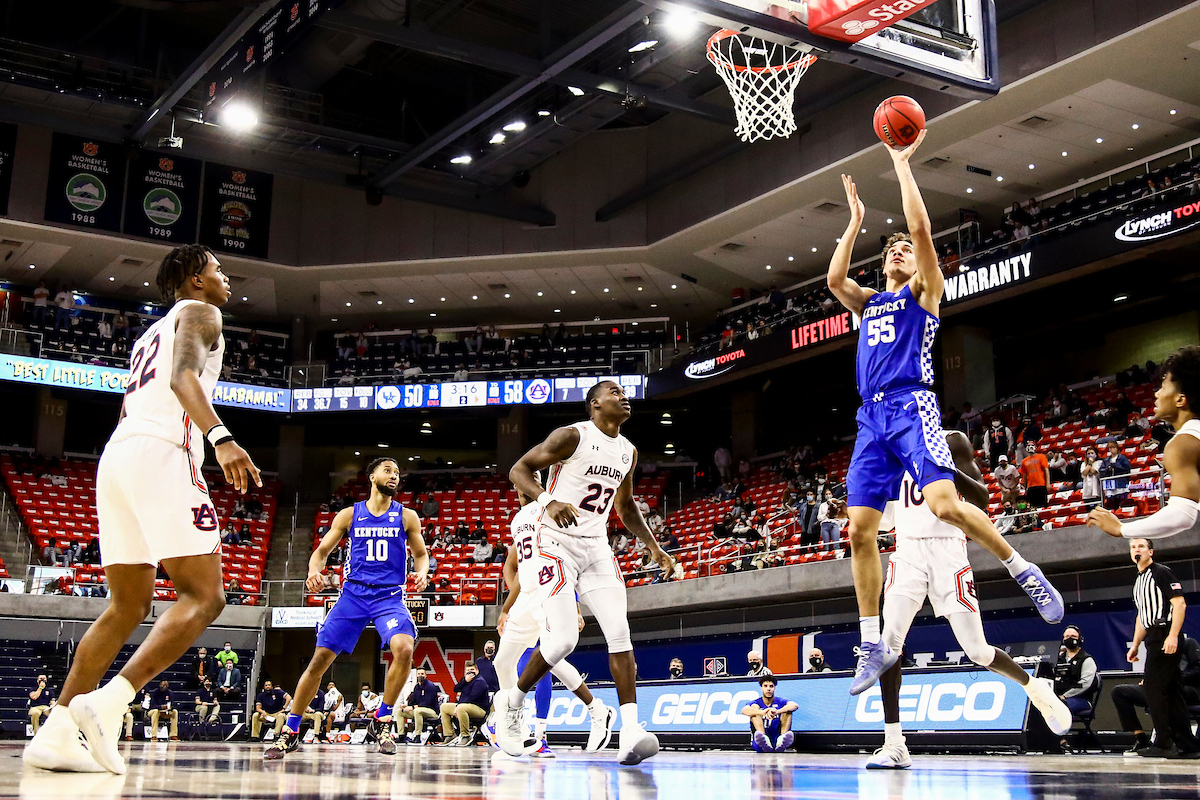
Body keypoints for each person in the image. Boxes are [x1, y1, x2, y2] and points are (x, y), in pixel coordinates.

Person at [827, 156, 1062, 696]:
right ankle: (870, 645)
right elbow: (836, 278)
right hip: (871, 416)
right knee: (860, 530)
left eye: (904, 251)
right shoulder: (869, 302)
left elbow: (920, 228)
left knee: (944, 504)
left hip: (912, 406)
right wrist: (854, 219)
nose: (899, 251)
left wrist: (900, 164)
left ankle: (1023, 569)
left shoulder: (924, 293)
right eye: (891, 250)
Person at [23, 244, 260, 776]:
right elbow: (183, 379)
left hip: (118, 455)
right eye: (217, 270)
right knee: (206, 594)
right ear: (195, 280)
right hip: (162, 451)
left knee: (126, 605)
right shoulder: (204, 312)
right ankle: (110, 702)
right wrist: (220, 437)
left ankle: (58, 730)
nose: (226, 278)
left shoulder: (149, 332)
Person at [494, 380, 676, 765]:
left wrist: (654, 547)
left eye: (625, 394)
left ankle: (630, 729)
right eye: (615, 392)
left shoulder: (628, 450)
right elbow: (518, 469)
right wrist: (548, 499)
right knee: (562, 641)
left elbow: (625, 508)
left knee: (620, 631)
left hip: (595, 545)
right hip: (554, 540)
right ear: (595, 404)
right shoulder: (573, 435)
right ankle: (511, 703)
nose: (623, 397)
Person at [866, 430, 1070, 769]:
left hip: (949, 553)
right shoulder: (889, 450)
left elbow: (982, 499)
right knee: (889, 644)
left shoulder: (951, 440)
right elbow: (887, 517)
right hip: (908, 552)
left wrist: (943, 467)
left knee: (977, 650)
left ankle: (1035, 687)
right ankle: (894, 743)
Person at [264, 457, 428, 760]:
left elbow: (420, 554)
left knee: (404, 648)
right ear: (372, 476)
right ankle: (291, 730)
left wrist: (422, 571)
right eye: (388, 470)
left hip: (389, 597)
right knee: (318, 662)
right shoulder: (350, 515)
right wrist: (314, 571)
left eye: (397, 473)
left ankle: (383, 718)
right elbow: (321, 551)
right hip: (352, 596)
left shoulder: (407, 517)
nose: (394, 476)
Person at [490, 504, 614, 757]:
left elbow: (570, 559)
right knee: (502, 662)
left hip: (551, 588)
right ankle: (518, 729)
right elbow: (519, 570)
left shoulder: (551, 507)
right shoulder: (518, 519)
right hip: (526, 595)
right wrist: (506, 608)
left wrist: (576, 606)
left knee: (553, 658)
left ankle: (597, 710)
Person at [1088, 346, 1200, 541]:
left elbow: (1183, 515)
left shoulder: (1183, 443)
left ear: (1181, 399)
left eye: (1163, 387)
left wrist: (1121, 529)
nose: (1156, 394)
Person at [1120, 539, 1198, 757]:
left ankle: (1163, 741)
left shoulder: (1161, 572)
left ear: (1151, 551)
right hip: (1152, 635)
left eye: (1141, 546)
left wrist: (1173, 635)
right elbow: (1142, 616)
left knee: (1153, 688)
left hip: (1165, 633)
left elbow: (1180, 604)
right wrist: (1135, 644)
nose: (1136, 550)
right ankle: (1188, 745)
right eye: (1133, 547)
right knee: (1174, 693)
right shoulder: (1138, 581)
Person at [1112, 634, 1200, 754]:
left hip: (1188, 688)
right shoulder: (1156, 649)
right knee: (1120, 692)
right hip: (1159, 688)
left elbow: (1198, 670)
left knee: (1166, 691)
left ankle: (1173, 741)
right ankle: (1141, 739)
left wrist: (1171, 680)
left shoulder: (1188, 643)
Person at [1053, 625, 1099, 751]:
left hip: (1081, 700)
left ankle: (1060, 740)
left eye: (1073, 636)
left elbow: (1085, 684)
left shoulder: (1086, 659)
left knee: (1059, 706)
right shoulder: (1058, 659)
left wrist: (1065, 696)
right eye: (1066, 637)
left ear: (1080, 639)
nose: (1069, 639)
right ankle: (1051, 741)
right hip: (1057, 698)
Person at [740, 677, 797, 753]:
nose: (768, 689)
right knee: (754, 708)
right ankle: (763, 737)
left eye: (771, 686)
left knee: (787, 709)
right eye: (765, 686)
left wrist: (777, 711)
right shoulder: (757, 702)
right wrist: (763, 712)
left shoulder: (780, 701)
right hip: (761, 742)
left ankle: (782, 739)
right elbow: (744, 710)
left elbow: (794, 705)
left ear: (774, 689)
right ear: (761, 689)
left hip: (776, 740)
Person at [438, 662, 490, 745]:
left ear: (477, 671)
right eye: (468, 670)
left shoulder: (480, 681)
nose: (470, 672)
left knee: (461, 707)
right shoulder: (466, 680)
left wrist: (458, 707)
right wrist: (464, 681)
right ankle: (449, 735)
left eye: (472, 670)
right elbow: (456, 688)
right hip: (464, 706)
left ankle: (466, 736)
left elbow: (472, 698)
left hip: (479, 709)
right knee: (444, 707)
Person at [397, 668, 439, 743]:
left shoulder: (430, 686)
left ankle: (418, 736)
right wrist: (406, 705)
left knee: (417, 710)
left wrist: (412, 707)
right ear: (416, 675)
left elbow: (427, 703)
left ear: (426, 675)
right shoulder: (417, 687)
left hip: (432, 711)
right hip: (419, 710)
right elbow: (413, 701)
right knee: (400, 711)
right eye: (419, 674)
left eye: (422, 674)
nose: (420, 676)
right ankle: (401, 736)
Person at [1098, 441, 1133, 510]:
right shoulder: (1106, 460)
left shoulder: (1123, 458)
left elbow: (1127, 470)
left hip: (1121, 484)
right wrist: (1108, 469)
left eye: (1113, 447)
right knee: (1111, 504)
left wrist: (1115, 466)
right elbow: (1101, 471)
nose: (1112, 449)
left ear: (1117, 448)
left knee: (1121, 503)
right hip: (1110, 485)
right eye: (1110, 448)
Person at [1020, 441, 1051, 508]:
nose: (1030, 447)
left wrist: (1048, 483)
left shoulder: (1041, 456)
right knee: (1033, 507)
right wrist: (1025, 486)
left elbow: (1046, 470)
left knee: (1043, 505)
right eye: (1029, 445)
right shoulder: (1024, 461)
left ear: (1036, 447)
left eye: (1032, 445)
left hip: (1041, 484)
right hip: (1030, 486)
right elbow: (1024, 475)